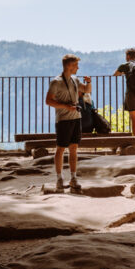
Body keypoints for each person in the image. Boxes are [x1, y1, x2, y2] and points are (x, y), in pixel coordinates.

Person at [45, 53, 91, 193]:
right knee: (60, 148)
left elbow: (87, 91)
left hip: (76, 117)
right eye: (76, 65)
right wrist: (66, 107)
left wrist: (88, 82)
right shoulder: (56, 82)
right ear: (69, 66)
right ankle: (59, 179)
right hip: (64, 119)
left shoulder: (75, 80)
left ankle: (73, 178)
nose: (78, 67)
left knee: (74, 148)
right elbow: (48, 101)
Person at [113, 48, 135, 138]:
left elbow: (115, 74)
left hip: (131, 94)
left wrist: (124, 73)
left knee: (134, 119)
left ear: (128, 56)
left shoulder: (125, 65)